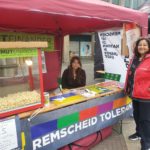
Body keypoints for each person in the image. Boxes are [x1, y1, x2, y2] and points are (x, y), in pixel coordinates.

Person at [125, 38, 150, 150]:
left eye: (145, 45)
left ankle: (146, 144)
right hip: (134, 94)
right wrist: (126, 87)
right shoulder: (134, 59)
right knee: (137, 116)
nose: (142, 47)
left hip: (146, 96)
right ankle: (139, 134)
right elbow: (130, 75)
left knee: (145, 120)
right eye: (140, 45)